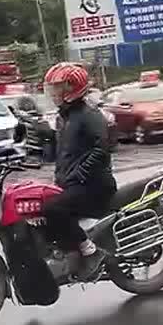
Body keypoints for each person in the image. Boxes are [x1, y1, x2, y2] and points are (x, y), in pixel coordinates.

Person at [40, 62, 117, 279]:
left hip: (94, 185)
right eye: (52, 88)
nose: (53, 93)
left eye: (58, 88)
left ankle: (89, 251)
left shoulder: (88, 115)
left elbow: (102, 150)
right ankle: (64, 253)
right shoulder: (65, 116)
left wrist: (79, 174)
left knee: (52, 208)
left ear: (71, 90)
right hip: (73, 183)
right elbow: (63, 153)